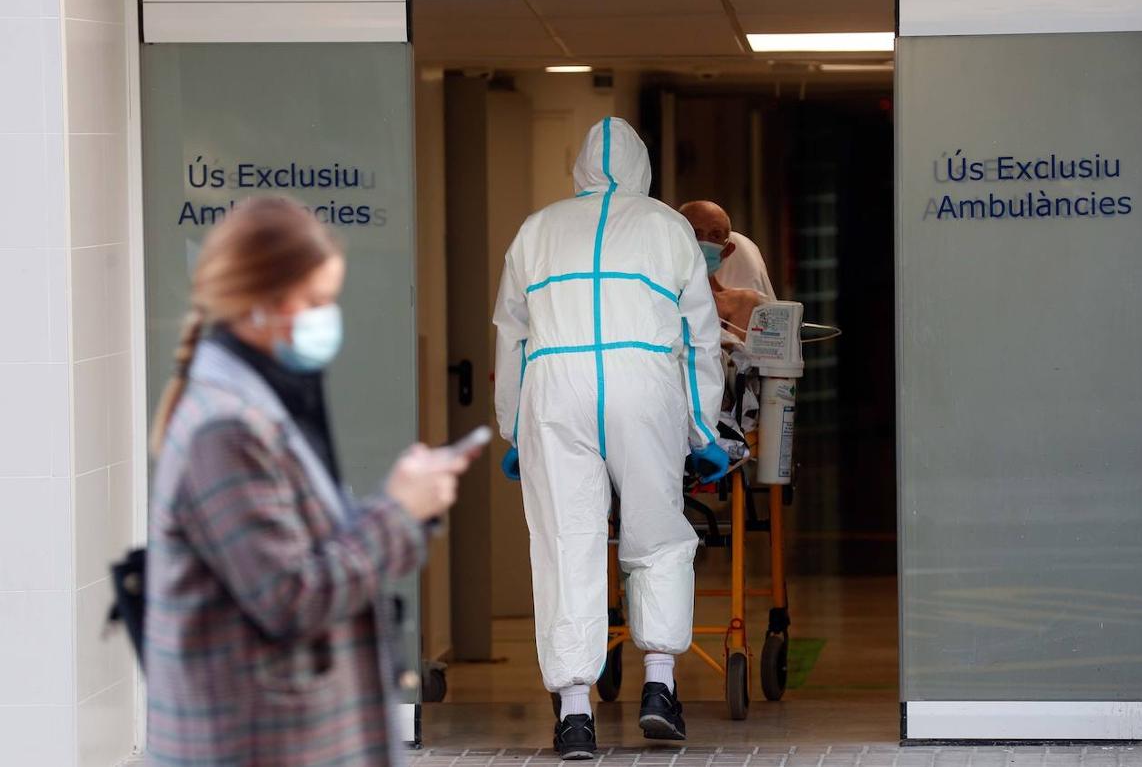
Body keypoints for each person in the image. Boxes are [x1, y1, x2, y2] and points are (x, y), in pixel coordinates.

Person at [145, 196, 470, 767]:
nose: (327, 318)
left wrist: (401, 504)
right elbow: (291, 596)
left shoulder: (262, 400)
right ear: (260, 303)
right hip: (254, 741)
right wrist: (398, 512)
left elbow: (307, 547)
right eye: (316, 301)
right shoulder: (224, 429)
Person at [493, 117, 729, 759]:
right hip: (641, 385)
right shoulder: (666, 226)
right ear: (642, 168)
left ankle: (575, 715)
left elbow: (511, 337)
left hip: (556, 389)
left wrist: (515, 426)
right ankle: (659, 686)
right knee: (656, 533)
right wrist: (704, 428)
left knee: (566, 540)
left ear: (579, 169)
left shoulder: (536, 230)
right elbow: (697, 337)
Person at [678, 200, 772, 342]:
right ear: (675, 241)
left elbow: (735, 359)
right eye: (695, 233)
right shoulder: (658, 297)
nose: (704, 243)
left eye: (715, 235)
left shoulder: (743, 303)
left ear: (727, 251)